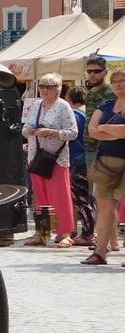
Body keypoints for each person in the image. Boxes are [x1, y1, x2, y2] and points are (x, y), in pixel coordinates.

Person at [22, 73, 77, 247]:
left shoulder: (63, 107)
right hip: (36, 156)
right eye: (43, 86)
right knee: (40, 197)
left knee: (61, 196)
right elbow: (24, 128)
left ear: (58, 89)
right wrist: (28, 131)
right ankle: (42, 233)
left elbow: (73, 133)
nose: (45, 90)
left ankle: (65, 233)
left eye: (50, 86)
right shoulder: (36, 105)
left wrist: (51, 132)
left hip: (56, 158)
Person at [82, 68, 125, 265]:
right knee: (103, 208)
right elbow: (92, 130)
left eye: (123, 80)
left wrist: (106, 128)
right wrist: (117, 131)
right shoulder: (106, 104)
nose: (118, 84)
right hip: (106, 159)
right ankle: (100, 252)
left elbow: (102, 129)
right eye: (115, 81)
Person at [67, 87, 95, 245]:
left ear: (70, 98)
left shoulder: (74, 115)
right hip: (91, 159)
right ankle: (92, 232)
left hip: (77, 160)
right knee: (92, 199)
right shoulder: (90, 113)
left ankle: (87, 234)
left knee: (82, 199)